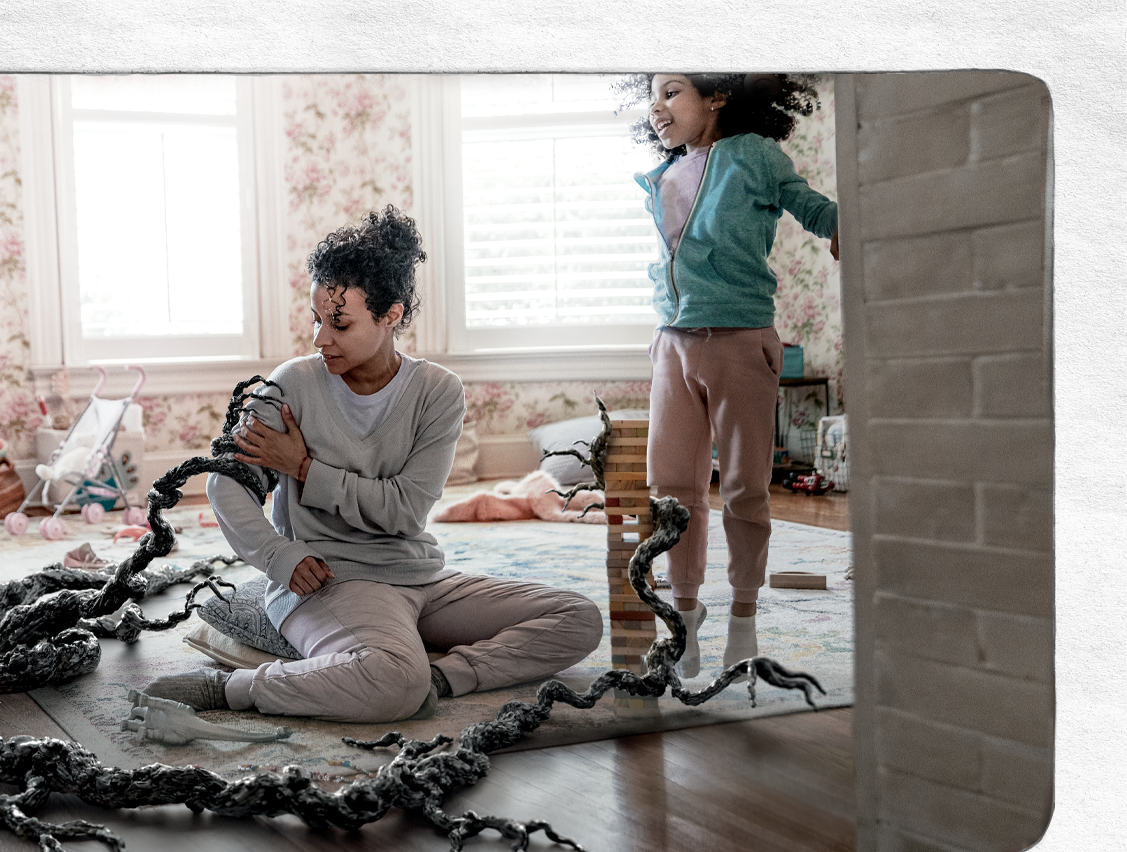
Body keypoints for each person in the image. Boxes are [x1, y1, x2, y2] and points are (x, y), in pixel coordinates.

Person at [144, 207, 603, 723]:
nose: (320, 338)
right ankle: (233, 688)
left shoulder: (437, 391)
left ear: (391, 315)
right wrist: (279, 557)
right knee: (393, 685)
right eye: (317, 319)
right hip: (331, 581)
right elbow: (226, 484)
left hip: (419, 577)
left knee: (577, 617)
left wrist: (303, 468)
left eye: (339, 322)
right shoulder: (292, 383)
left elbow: (405, 513)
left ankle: (441, 678)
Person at [619, 73, 840, 677]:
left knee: (743, 486)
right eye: (652, 96)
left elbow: (814, 207)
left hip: (740, 340)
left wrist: (847, 227)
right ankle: (684, 616)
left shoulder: (754, 156)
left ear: (717, 95)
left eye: (672, 91)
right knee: (672, 490)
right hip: (672, 345)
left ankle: (744, 614)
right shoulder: (661, 177)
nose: (657, 108)